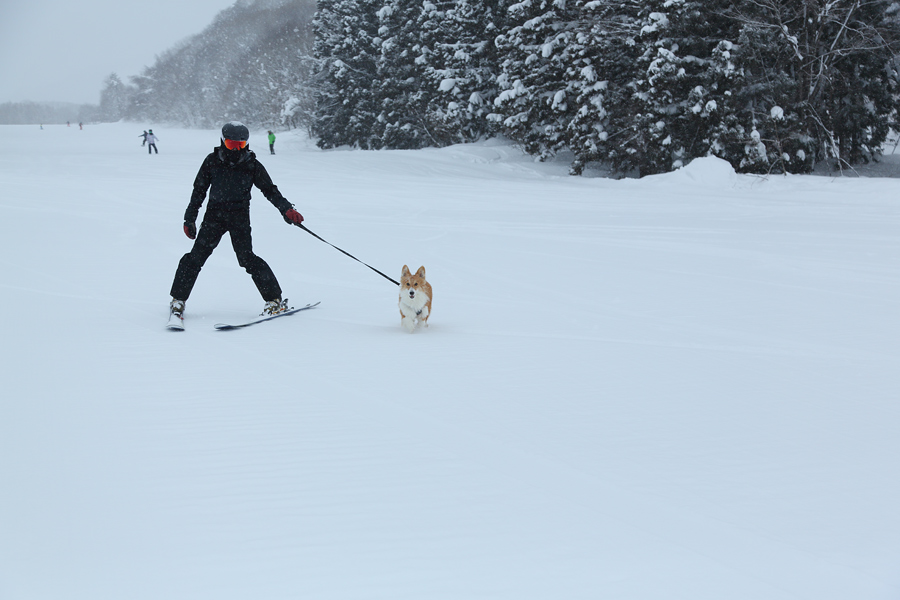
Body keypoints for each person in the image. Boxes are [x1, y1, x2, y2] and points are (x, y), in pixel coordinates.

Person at [168, 122, 305, 321]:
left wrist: (286, 209)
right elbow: (198, 191)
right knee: (195, 258)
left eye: (241, 145)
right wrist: (189, 218)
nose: (237, 149)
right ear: (223, 142)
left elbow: (269, 190)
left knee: (247, 258)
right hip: (214, 216)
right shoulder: (212, 161)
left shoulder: (252, 164)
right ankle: (177, 301)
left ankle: (274, 300)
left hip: (239, 216)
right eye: (232, 145)